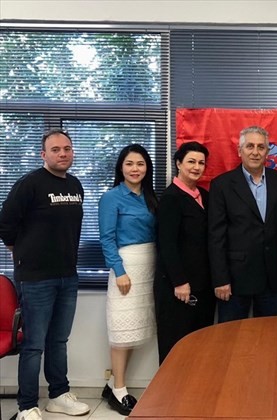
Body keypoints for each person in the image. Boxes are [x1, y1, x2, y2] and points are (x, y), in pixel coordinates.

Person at [0, 129, 90, 420]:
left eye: (67, 148)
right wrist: (18, 248)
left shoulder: (76, 185)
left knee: (58, 340)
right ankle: (27, 406)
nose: (62, 153)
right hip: (36, 277)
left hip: (68, 274)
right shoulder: (30, 184)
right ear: (43, 154)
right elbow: (6, 223)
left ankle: (58, 395)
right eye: (55, 149)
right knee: (34, 343)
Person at [208, 126, 277, 322]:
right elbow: (216, 236)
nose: (255, 152)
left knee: (272, 336)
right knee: (232, 339)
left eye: (261, 147)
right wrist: (221, 279)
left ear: (267, 152)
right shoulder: (222, 185)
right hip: (235, 280)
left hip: (272, 278)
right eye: (250, 146)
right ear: (239, 150)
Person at [98, 144, 158, 415]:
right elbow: (106, 239)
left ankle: (112, 383)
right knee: (122, 332)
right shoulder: (112, 197)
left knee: (135, 330)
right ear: (120, 167)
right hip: (126, 269)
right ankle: (120, 389)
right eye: (130, 164)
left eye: (141, 164)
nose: (135, 169)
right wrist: (119, 271)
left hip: (149, 267)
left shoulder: (150, 197)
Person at [155, 141, 216, 363]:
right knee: (177, 345)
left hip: (203, 284)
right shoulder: (171, 198)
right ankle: (172, 396)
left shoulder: (204, 196)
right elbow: (167, 244)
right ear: (178, 163)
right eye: (191, 161)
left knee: (201, 344)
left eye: (201, 163)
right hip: (179, 288)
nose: (196, 167)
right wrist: (180, 282)